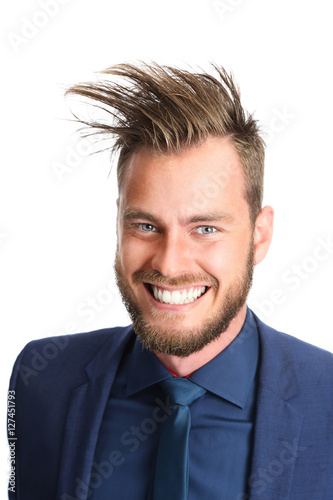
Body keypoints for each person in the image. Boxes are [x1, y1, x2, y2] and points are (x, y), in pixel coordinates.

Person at [8, 63, 333, 500]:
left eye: (205, 229)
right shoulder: (43, 381)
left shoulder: (326, 399)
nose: (170, 262)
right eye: (145, 226)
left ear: (259, 236)